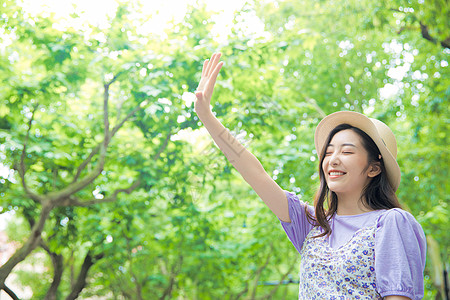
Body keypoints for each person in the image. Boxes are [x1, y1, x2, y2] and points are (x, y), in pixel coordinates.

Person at [194, 52, 426, 300]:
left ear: (374, 168)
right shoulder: (312, 225)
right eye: (328, 152)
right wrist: (207, 116)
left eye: (347, 151)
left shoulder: (390, 223)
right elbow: (254, 174)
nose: (333, 159)